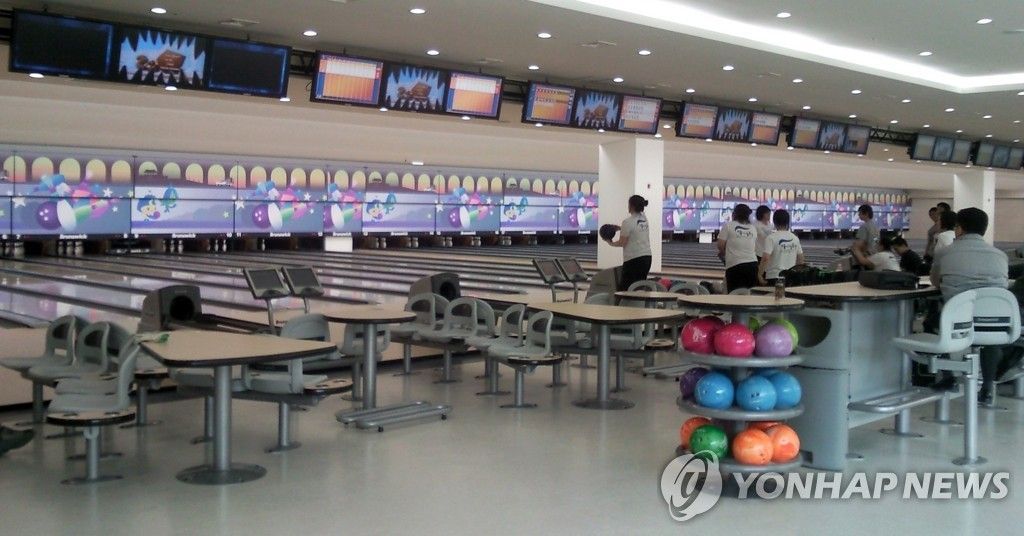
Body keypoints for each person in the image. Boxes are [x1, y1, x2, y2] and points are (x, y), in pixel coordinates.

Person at [929, 207, 1009, 405]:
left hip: (958, 324)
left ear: (959, 228)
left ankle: (948, 376)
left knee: (931, 322)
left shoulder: (945, 253)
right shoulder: (1000, 255)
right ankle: (988, 386)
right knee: (990, 338)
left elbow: (936, 282)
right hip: (994, 324)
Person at [604, 194, 651, 291]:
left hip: (633, 260)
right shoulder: (644, 218)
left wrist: (610, 243)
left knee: (625, 289)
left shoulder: (627, 222)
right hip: (647, 258)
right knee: (638, 288)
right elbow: (635, 229)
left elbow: (622, 243)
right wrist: (620, 228)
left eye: (628, 204)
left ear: (632, 206)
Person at [718, 203, 759, 292]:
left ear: (734, 214)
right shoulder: (752, 228)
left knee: (734, 295)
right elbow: (754, 246)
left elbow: (720, 245)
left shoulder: (728, 225)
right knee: (750, 294)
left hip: (735, 266)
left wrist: (724, 254)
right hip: (752, 265)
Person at [757, 209, 804, 286]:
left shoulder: (771, 238)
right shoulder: (795, 238)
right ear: (787, 222)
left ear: (774, 222)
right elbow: (801, 259)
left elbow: (765, 258)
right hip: (790, 277)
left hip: (774, 276)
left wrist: (760, 274)